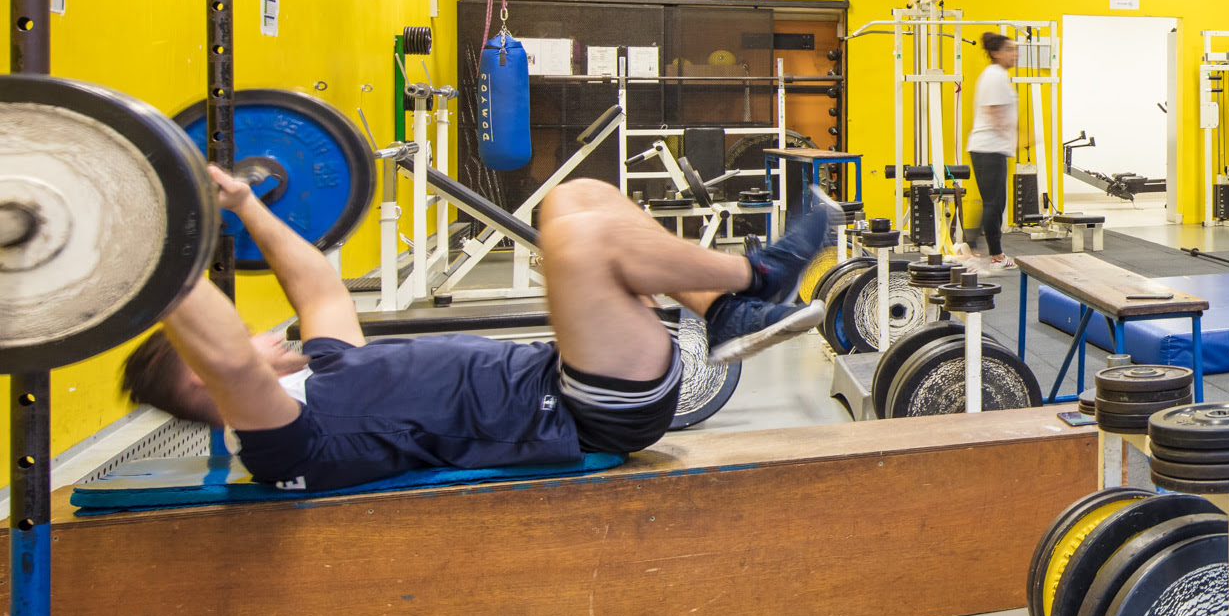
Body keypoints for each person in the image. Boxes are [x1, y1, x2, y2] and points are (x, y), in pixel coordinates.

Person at [121, 167, 835, 492]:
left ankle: (727, 309)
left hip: (565, 372)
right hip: (586, 413)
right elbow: (233, 364)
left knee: (574, 200)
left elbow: (317, 285)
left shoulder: (325, 372)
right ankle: (757, 276)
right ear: (201, 379)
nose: (262, 337)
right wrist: (154, 250)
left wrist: (247, 205)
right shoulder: (286, 439)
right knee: (582, 244)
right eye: (243, 340)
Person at [967, 31, 1019, 271]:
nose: (1014, 54)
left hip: (992, 147)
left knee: (993, 203)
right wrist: (1011, 134)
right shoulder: (995, 76)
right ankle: (995, 255)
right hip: (989, 147)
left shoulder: (997, 75)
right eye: (1010, 49)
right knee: (994, 203)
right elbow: (994, 110)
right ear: (996, 53)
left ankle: (971, 245)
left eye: (1015, 49)